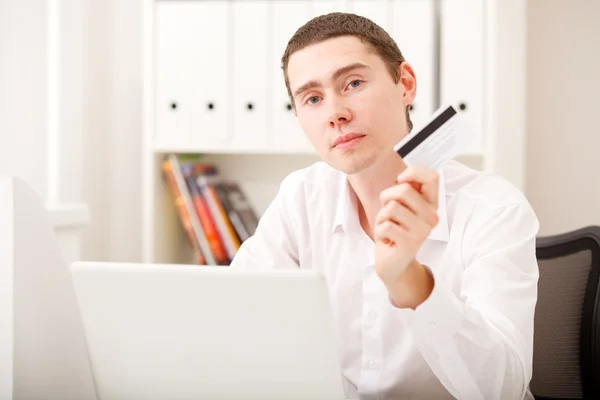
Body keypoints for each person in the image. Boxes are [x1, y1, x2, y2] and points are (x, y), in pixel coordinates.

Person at [229, 12, 539, 400]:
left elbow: (502, 390)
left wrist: (412, 284)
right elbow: (238, 324)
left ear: (405, 84)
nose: (335, 113)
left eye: (353, 83)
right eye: (312, 98)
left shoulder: (494, 208)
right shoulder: (300, 199)